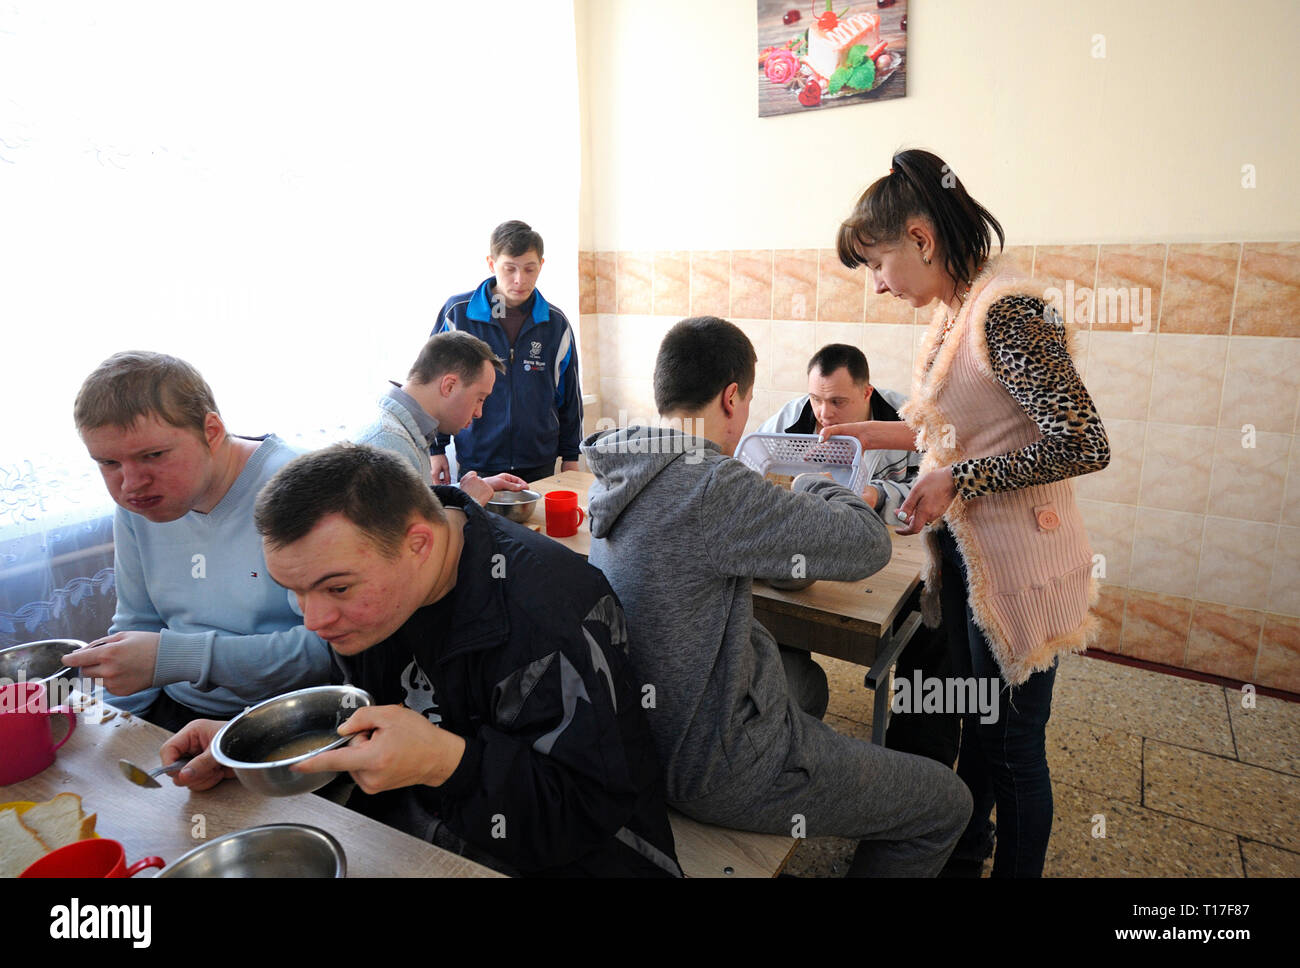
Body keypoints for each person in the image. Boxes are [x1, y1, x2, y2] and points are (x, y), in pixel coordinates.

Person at [162, 443, 682, 878]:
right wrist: (258, 754)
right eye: (294, 592)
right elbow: (370, 714)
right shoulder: (379, 602)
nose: (313, 619)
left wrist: (445, 763)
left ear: (418, 544)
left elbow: (590, 811)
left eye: (336, 588)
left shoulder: (548, 613)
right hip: (428, 825)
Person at [580, 316, 972, 877]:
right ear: (732, 396)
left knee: (805, 683)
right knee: (945, 803)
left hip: (637, 730)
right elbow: (866, 546)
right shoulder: (713, 484)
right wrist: (819, 474)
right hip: (711, 760)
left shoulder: (620, 465)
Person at [834, 148, 1110, 877]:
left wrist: (960, 480)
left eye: (878, 261)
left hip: (1024, 565)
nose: (878, 283)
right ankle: (970, 845)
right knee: (981, 725)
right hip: (971, 559)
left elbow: (1083, 441)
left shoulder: (1009, 312)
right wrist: (881, 434)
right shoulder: (959, 308)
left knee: (1015, 748)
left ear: (921, 238)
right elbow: (960, 431)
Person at [64, 351, 332, 731]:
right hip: (180, 710)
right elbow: (138, 625)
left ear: (211, 431)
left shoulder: (302, 488)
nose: (130, 484)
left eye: (153, 455)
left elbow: (329, 650)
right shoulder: (140, 503)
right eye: (108, 463)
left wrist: (176, 658)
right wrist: (108, 729)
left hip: (296, 717)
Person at [759, 343, 959, 767]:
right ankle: (781, 719)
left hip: (895, 557)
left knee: (930, 635)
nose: (824, 413)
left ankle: (917, 765)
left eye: (837, 401)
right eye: (816, 398)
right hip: (814, 556)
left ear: (866, 393)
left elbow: (936, 490)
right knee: (774, 613)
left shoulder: (907, 419)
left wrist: (878, 495)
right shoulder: (793, 418)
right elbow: (754, 470)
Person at [429, 220, 582, 484]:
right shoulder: (459, 314)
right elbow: (435, 383)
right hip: (479, 460)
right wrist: (436, 448)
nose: (519, 280)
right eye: (509, 268)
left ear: (541, 266)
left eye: (529, 269)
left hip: (539, 462)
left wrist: (571, 455)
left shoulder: (555, 324)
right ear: (492, 264)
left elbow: (569, 397)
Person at [356, 330, 528, 505]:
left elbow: (415, 504)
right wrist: (472, 500)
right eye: (480, 399)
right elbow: (410, 532)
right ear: (449, 386)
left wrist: (464, 491)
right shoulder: (388, 445)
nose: (479, 412)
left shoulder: (406, 430)